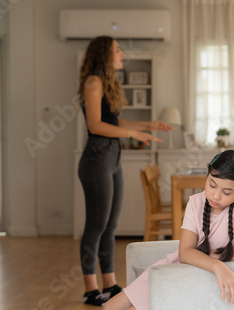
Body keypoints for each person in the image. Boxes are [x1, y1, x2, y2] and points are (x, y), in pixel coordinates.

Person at [78, 35, 173, 306]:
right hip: (97, 157)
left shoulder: (106, 83)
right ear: (104, 54)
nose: (121, 54)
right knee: (96, 226)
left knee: (110, 226)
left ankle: (110, 284)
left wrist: (148, 125)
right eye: (117, 50)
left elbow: (112, 120)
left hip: (112, 156)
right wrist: (133, 133)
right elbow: (96, 125)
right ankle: (90, 289)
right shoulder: (93, 82)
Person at [103, 150, 234, 310]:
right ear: (207, 174)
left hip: (190, 273)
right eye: (212, 185)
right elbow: (184, 252)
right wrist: (217, 265)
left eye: (226, 192)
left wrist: (199, 255)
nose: (216, 195)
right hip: (175, 266)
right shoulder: (196, 203)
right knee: (108, 307)